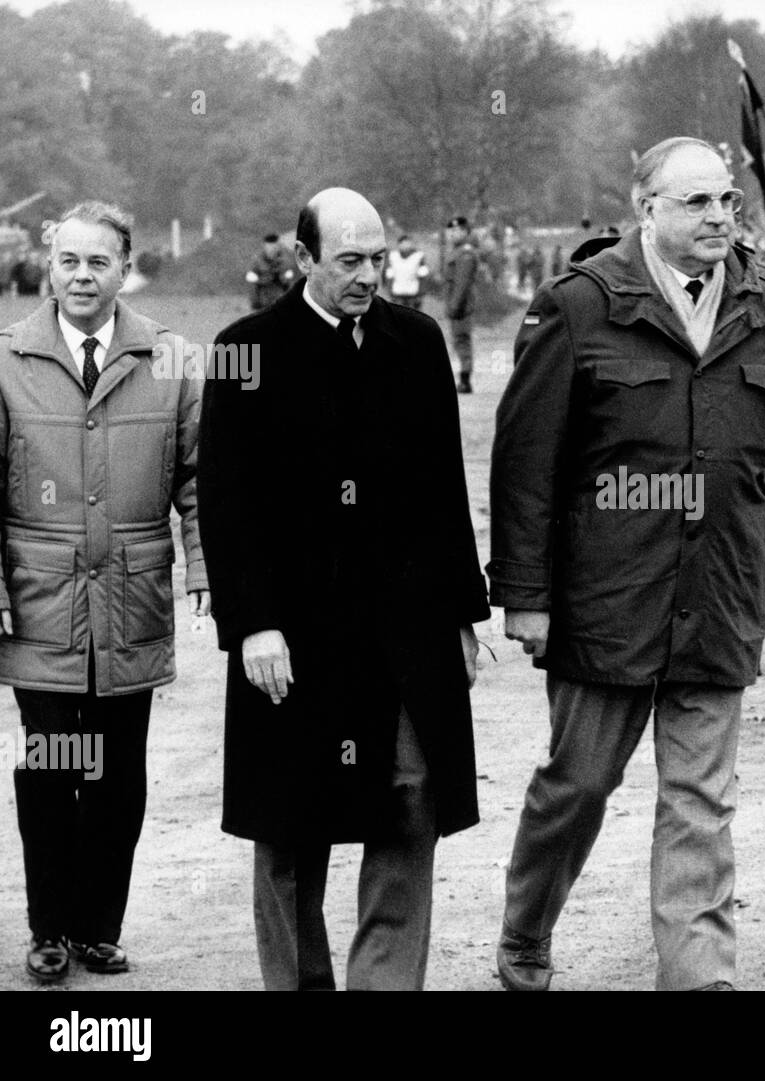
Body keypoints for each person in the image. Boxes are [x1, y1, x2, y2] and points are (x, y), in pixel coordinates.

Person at [489, 137, 765, 991]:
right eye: (699, 204)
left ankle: (699, 977)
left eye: (729, 203)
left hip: (719, 589)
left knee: (699, 802)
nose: (721, 218)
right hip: (609, 595)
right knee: (579, 783)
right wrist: (523, 595)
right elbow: (527, 465)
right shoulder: (578, 305)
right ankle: (527, 929)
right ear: (648, 212)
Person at [197, 187, 489, 991]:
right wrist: (253, 624)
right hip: (293, 635)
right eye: (349, 261)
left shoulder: (417, 340)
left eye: (377, 259)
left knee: (410, 803)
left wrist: (464, 613)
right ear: (303, 260)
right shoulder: (245, 349)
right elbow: (226, 503)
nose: (368, 276)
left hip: (405, 629)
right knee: (291, 822)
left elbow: (442, 486)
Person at [0, 201, 208, 981]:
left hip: (133, 600)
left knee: (117, 775)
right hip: (39, 603)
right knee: (53, 766)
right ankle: (49, 927)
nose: (81, 276)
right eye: (68, 262)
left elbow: (198, 481)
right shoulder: (6, 360)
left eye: (98, 263)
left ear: (126, 268)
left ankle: (96, 926)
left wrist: (203, 567)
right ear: (48, 267)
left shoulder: (173, 361)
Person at [444, 216, 477, 394]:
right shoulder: (456, 252)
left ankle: (465, 380)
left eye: (457, 230)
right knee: (459, 341)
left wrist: (455, 306)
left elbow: (462, 284)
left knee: (462, 340)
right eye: (451, 231)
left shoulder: (465, 254)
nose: (452, 234)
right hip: (456, 304)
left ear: (465, 232)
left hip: (461, 306)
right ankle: (464, 378)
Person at [246, 232, 295, 310]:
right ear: (265, 246)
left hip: (279, 292)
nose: (272, 249)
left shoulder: (285, 260)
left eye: (274, 246)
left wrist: (282, 277)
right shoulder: (257, 260)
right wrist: (262, 279)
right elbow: (251, 278)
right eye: (270, 247)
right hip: (263, 293)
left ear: (278, 246)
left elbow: (289, 278)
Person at [384, 233, 429, 311]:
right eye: (403, 243)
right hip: (397, 294)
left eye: (407, 242)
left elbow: (423, 277)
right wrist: (390, 292)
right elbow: (389, 276)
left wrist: (421, 294)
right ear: (399, 244)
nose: (405, 245)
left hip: (413, 294)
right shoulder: (393, 256)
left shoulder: (418, 256)